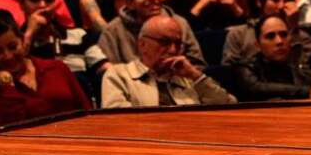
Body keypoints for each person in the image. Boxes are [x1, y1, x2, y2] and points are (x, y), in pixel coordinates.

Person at [0, 14, 92, 126]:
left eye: (12, 47)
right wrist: (7, 84)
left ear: (23, 42)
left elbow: (87, 112)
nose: (8, 56)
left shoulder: (57, 68)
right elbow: (13, 128)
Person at [101, 14, 235, 108]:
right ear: (142, 44)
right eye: (164, 42)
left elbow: (229, 106)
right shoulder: (119, 75)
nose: (173, 50)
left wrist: (195, 75)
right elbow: (117, 120)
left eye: (178, 44)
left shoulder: (188, 77)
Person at [97, 0, 204, 67]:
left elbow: (198, 65)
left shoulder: (180, 23)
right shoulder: (113, 31)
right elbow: (109, 73)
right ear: (130, 3)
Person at [235, 14, 311, 102]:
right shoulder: (246, 67)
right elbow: (255, 88)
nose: (279, 41)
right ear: (257, 44)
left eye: (283, 34)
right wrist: (303, 91)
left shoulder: (299, 68)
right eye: (270, 36)